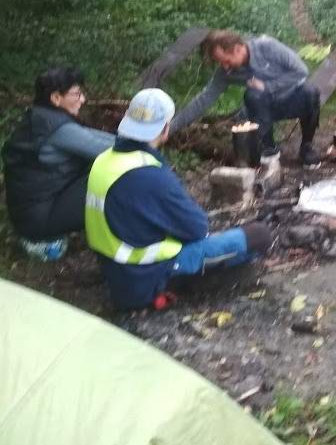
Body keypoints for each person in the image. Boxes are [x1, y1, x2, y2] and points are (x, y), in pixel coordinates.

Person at [86, 88, 271, 310]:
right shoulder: (150, 175)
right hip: (146, 276)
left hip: (114, 269)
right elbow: (198, 228)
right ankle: (199, 282)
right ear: (165, 128)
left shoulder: (104, 160)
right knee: (259, 234)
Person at [2, 68, 114, 254]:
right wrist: (144, 142)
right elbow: (112, 150)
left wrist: (133, 139)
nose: (83, 100)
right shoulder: (58, 129)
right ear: (56, 98)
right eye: (77, 94)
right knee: (116, 176)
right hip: (38, 220)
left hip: (30, 215)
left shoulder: (42, 118)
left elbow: (94, 137)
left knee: (107, 172)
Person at [171, 29, 322, 166]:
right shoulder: (226, 72)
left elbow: (301, 71)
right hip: (263, 110)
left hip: (292, 97)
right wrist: (170, 127)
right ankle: (269, 148)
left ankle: (307, 146)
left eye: (226, 61)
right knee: (253, 94)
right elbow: (204, 99)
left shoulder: (267, 46)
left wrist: (268, 87)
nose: (224, 67)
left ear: (237, 49)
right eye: (220, 63)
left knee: (312, 92)